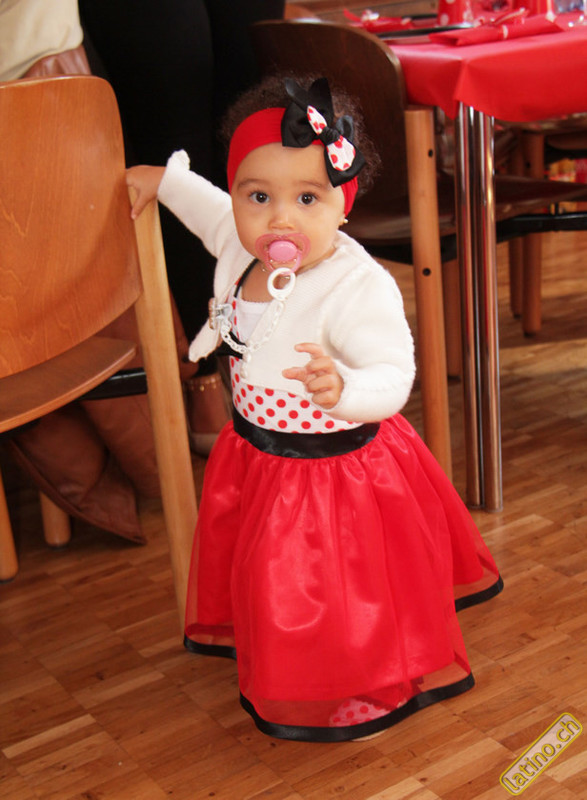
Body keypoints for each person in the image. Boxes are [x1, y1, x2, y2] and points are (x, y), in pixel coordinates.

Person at [126, 74, 503, 742]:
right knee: (274, 576)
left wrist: (345, 391)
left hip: (334, 472)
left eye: (307, 198)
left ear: (342, 205)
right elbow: (208, 208)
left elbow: (394, 374)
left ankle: (354, 678)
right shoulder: (238, 241)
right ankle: (287, 655)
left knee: (336, 585)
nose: (280, 219)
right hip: (259, 454)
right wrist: (165, 181)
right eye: (258, 196)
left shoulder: (355, 285)